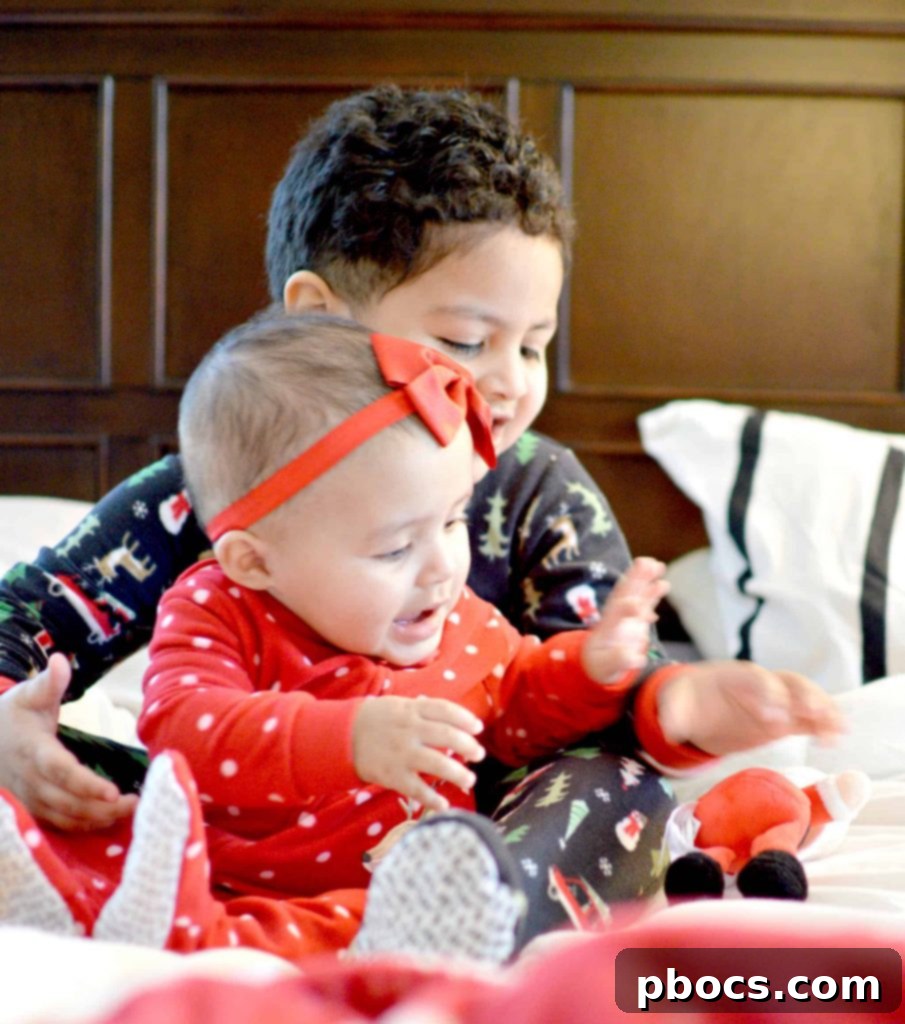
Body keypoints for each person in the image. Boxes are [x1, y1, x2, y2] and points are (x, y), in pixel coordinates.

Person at [0, 85, 831, 923]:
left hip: (486, 818)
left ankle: (462, 912)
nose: (509, 383)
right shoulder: (210, 496)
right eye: (466, 342)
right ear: (320, 318)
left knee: (617, 786)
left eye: (533, 346)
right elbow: (26, 622)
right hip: (242, 815)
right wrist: (12, 731)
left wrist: (673, 704)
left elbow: (601, 690)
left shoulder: (540, 490)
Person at [0, 312, 842, 965]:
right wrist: (348, 738)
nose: (442, 566)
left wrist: (590, 667)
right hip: (211, 853)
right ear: (255, 560)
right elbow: (183, 726)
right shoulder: (217, 607)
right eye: (394, 547)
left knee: (398, 918)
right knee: (58, 795)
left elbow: (519, 706)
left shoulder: (457, 618)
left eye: (452, 521)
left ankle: (203, 939)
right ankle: (108, 903)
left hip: (368, 887)